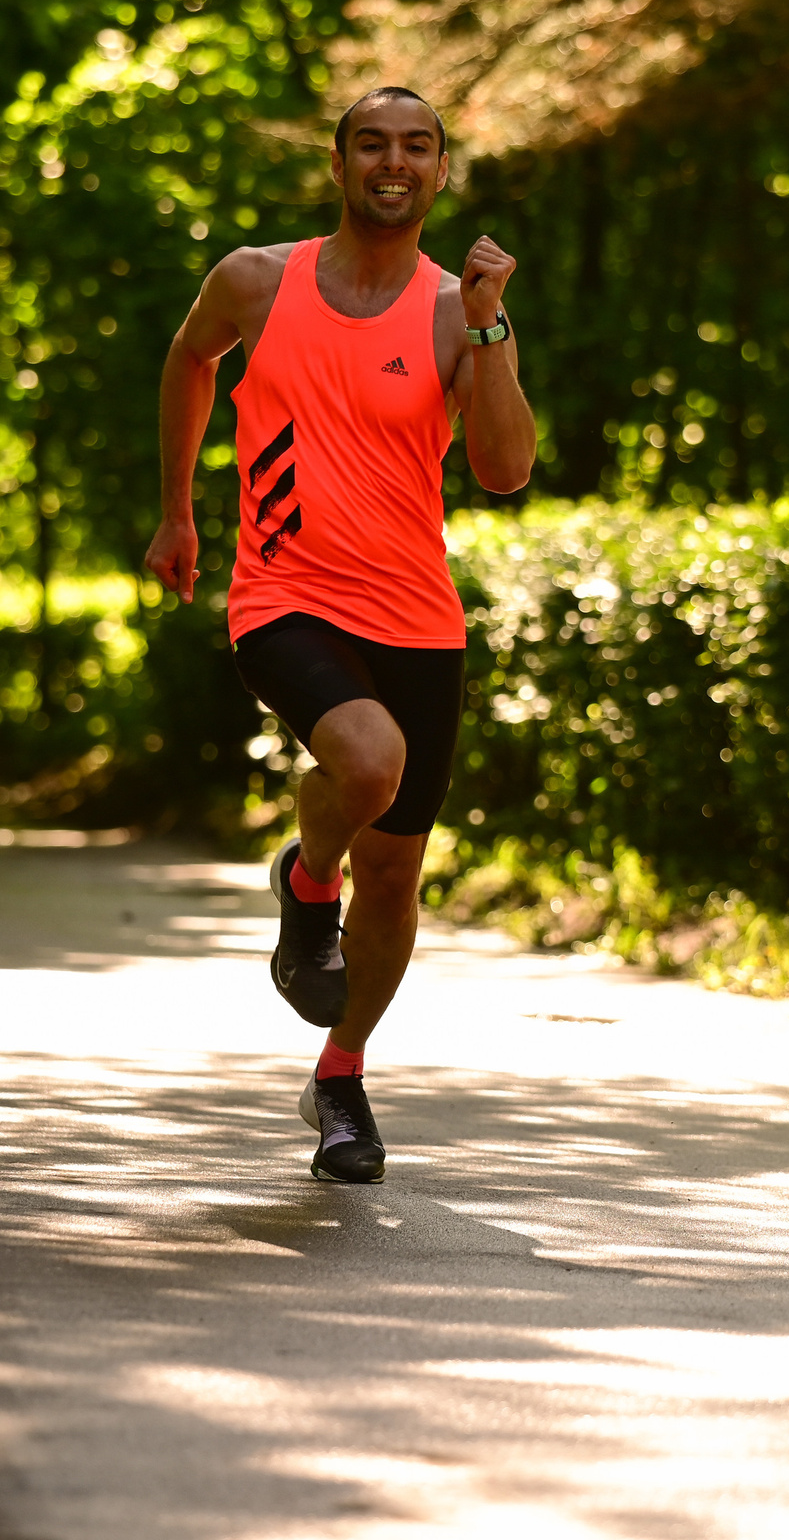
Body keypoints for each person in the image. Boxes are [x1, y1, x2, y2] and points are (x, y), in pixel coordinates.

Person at [142, 87, 536, 1184]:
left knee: (399, 876)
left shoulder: (458, 308)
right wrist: (177, 509)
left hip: (417, 615)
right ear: (339, 162)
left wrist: (493, 324)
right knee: (368, 761)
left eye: (417, 147)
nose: (393, 162)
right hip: (283, 592)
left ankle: (342, 1077)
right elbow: (189, 361)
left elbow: (503, 468)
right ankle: (309, 881)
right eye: (373, 144)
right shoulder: (255, 280)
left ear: (442, 172)